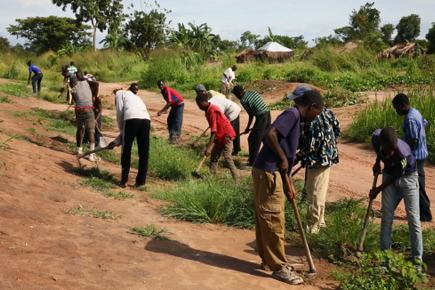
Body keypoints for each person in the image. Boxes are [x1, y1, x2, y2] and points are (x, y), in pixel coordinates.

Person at [252, 90, 324, 285]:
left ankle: (269, 260)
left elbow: (286, 157)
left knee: (265, 217)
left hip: (269, 171)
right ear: (311, 107)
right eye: (317, 113)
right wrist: (283, 160)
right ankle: (278, 267)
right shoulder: (292, 114)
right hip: (269, 171)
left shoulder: (297, 119)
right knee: (273, 218)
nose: (315, 117)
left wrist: (288, 183)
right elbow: (270, 134)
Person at [291, 86, 341, 234]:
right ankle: (320, 222)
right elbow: (337, 128)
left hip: (318, 159)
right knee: (320, 191)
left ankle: (313, 228)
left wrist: (297, 158)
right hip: (327, 158)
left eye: (298, 101)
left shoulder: (311, 118)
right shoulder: (326, 112)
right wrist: (331, 142)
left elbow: (311, 146)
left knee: (314, 193)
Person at [370, 127, 423, 265]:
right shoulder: (376, 138)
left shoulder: (403, 153)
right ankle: (385, 260)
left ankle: (417, 262)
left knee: (413, 219)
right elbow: (378, 150)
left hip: (408, 178)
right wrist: (377, 162)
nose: (392, 152)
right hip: (389, 173)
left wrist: (377, 189)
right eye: (389, 149)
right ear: (381, 143)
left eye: (394, 149)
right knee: (387, 217)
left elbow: (396, 176)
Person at [392, 94, 432, 222]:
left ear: (403, 105)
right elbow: (425, 124)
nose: (396, 111)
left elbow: (413, 140)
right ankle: (423, 214)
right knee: (418, 184)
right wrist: (421, 136)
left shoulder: (410, 119)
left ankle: (425, 216)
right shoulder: (416, 112)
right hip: (421, 154)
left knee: (408, 183)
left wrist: (402, 150)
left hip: (414, 156)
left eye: (397, 108)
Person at [108, 84, 151, 188]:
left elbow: (119, 113)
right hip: (146, 120)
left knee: (126, 150)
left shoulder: (119, 93)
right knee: (144, 152)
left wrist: (119, 139)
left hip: (131, 119)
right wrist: (117, 141)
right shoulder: (136, 97)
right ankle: (141, 182)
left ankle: (124, 181)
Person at [195, 93, 238, 180]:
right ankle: (212, 177)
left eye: (200, 104)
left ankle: (237, 178)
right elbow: (214, 129)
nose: (199, 107)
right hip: (219, 135)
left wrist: (209, 147)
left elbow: (213, 131)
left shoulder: (212, 110)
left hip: (226, 135)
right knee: (214, 157)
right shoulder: (208, 110)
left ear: (204, 101)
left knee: (227, 157)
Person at [195, 84, 242, 156]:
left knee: (226, 133)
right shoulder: (211, 100)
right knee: (234, 131)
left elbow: (219, 115)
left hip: (231, 111)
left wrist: (214, 124)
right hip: (235, 108)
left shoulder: (212, 105)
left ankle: (224, 152)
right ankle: (236, 150)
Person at [232, 85, 271, 166]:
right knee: (265, 138)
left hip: (261, 117)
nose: (237, 97)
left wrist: (247, 128)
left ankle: (253, 161)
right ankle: (270, 157)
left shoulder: (243, 100)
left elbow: (251, 115)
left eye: (236, 95)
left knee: (253, 139)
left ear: (239, 93)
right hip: (267, 114)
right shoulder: (252, 91)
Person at [70, 74, 100, 162]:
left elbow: (76, 101)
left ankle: (79, 149)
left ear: (72, 83)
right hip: (88, 109)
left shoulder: (73, 90)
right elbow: (97, 84)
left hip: (78, 109)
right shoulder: (85, 83)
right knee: (91, 131)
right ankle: (91, 154)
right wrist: (94, 95)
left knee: (80, 129)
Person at [78, 72, 102, 148]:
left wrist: (96, 119)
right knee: (87, 128)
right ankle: (85, 141)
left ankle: (96, 143)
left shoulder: (97, 98)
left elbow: (100, 110)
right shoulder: (86, 97)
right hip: (89, 113)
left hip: (96, 114)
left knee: (97, 129)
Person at [157, 80, 184, 144]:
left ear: (164, 84)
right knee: (170, 119)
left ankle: (177, 137)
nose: (161, 86)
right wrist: (166, 108)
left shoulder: (167, 90)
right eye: (159, 85)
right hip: (174, 105)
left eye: (162, 84)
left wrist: (161, 111)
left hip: (179, 104)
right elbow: (169, 101)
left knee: (177, 120)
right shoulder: (163, 92)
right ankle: (172, 135)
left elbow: (169, 102)